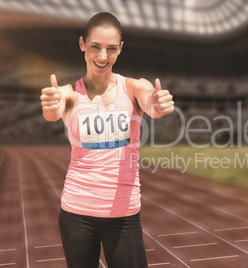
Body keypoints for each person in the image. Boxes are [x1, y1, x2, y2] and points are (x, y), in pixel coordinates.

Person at [40, 12, 174, 268]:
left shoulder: (133, 88)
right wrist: (51, 104)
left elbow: (151, 101)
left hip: (123, 215)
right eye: (95, 47)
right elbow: (52, 112)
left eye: (111, 49)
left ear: (120, 49)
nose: (103, 56)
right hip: (76, 213)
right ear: (82, 44)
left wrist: (157, 103)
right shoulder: (68, 94)